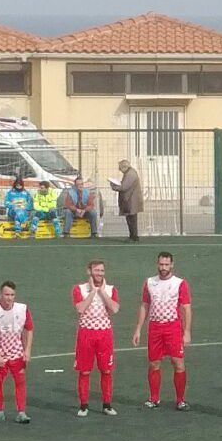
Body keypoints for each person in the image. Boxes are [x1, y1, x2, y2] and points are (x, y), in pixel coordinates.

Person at [131, 251, 192, 411]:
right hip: (155, 328)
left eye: (166, 264)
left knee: (178, 363)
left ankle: (180, 400)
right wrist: (138, 329)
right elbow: (145, 305)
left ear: (172, 265)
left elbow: (186, 308)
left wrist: (187, 331)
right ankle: (154, 398)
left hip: (173, 327)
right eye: (161, 264)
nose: (163, 267)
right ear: (157, 264)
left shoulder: (180, 283)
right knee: (154, 363)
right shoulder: (150, 282)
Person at [72, 259, 119, 417]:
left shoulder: (111, 289)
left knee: (106, 370)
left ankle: (107, 404)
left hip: (104, 334)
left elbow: (114, 308)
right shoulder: (79, 289)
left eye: (101, 271)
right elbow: (80, 308)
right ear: (89, 271)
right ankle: (84, 405)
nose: (99, 273)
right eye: (96, 270)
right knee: (84, 372)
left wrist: (102, 291)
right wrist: (93, 291)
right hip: (86, 334)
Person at [0, 281, 33, 424]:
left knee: (20, 381)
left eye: (12, 295)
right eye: (6, 294)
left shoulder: (22, 309)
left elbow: (29, 329)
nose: (9, 298)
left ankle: (21, 412)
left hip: (17, 353)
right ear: (0, 295)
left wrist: (27, 349)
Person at [117, 160, 143, 242]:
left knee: (132, 218)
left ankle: (134, 236)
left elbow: (124, 187)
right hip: (130, 199)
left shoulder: (130, 174)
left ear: (124, 167)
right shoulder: (130, 173)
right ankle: (132, 236)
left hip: (131, 199)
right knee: (130, 218)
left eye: (120, 168)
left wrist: (114, 186)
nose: (119, 170)